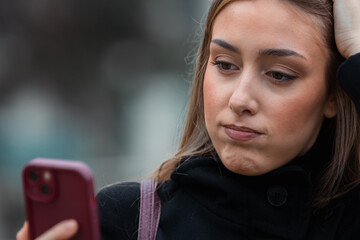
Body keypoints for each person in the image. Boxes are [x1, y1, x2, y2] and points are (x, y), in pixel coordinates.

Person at [17, 0, 360, 239]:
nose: (240, 99)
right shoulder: (124, 219)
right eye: (225, 64)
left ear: (334, 93)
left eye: (279, 74)